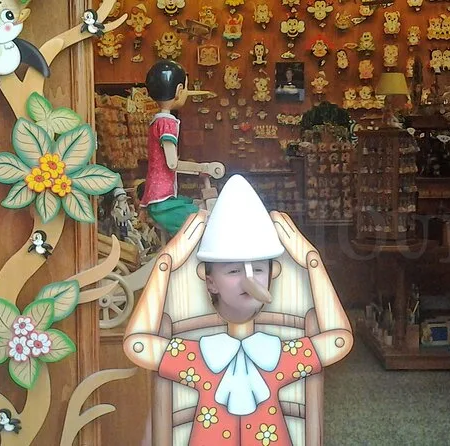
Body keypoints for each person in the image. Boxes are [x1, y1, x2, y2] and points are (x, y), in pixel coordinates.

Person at [124, 175, 353, 445]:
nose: (249, 280)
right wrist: (166, 264)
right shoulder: (200, 356)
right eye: (233, 271)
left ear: (271, 276)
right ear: (210, 282)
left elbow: (338, 340)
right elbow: (138, 345)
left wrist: (312, 262)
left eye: (258, 269)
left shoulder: (277, 355)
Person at [141, 60, 216, 236]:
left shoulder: (156, 121)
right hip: (162, 202)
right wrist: (202, 168)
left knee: (192, 205)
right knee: (203, 222)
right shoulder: (166, 122)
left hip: (157, 197)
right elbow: (172, 163)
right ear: (179, 91)